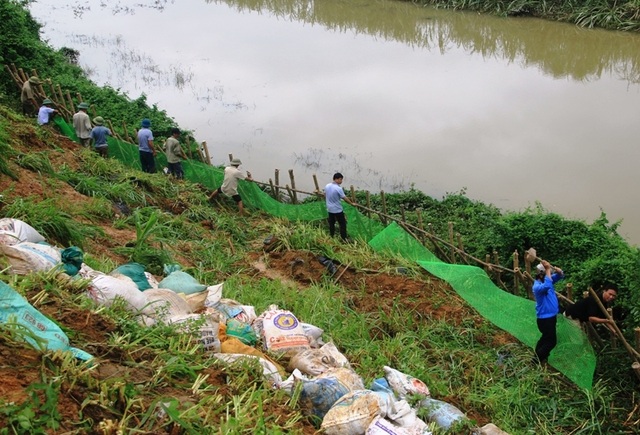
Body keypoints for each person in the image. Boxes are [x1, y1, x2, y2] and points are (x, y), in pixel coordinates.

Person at [532, 260, 564, 365]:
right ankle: (535, 361)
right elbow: (547, 285)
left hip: (550, 317)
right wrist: (547, 269)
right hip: (545, 319)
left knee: (545, 338)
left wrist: (559, 271)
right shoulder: (537, 287)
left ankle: (538, 357)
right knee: (551, 342)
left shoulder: (546, 281)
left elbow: (559, 276)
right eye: (545, 273)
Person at [324, 172, 355, 241]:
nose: (341, 181)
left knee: (331, 223)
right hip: (337, 209)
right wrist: (351, 203)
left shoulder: (327, 186)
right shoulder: (338, 188)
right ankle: (344, 238)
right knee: (342, 224)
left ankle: (332, 236)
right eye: (340, 179)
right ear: (336, 179)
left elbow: (325, 195)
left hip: (329, 209)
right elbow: (344, 198)